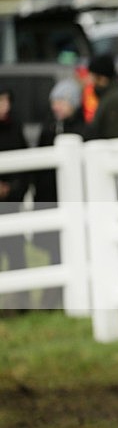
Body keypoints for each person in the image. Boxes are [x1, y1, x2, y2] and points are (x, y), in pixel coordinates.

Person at [34, 79, 86, 308]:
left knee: (72, 250)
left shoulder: (84, 130)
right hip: (49, 199)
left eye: (62, 101)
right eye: (55, 101)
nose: (57, 106)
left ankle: (64, 298)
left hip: (74, 201)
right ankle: (52, 299)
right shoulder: (47, 129)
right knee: (53, 252)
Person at [0, 87, 31, 312]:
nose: (4, 106)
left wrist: (12, 189)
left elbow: (25, 162)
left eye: (6, 101)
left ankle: (23, 304)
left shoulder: (15, 126)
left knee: (16, 253)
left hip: (11, 202)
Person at [84, 54, 118, 140]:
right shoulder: (106, 95)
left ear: (102, 78)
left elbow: (115, 136)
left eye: (92, 76)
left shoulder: (114, 100)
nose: (89, 80)